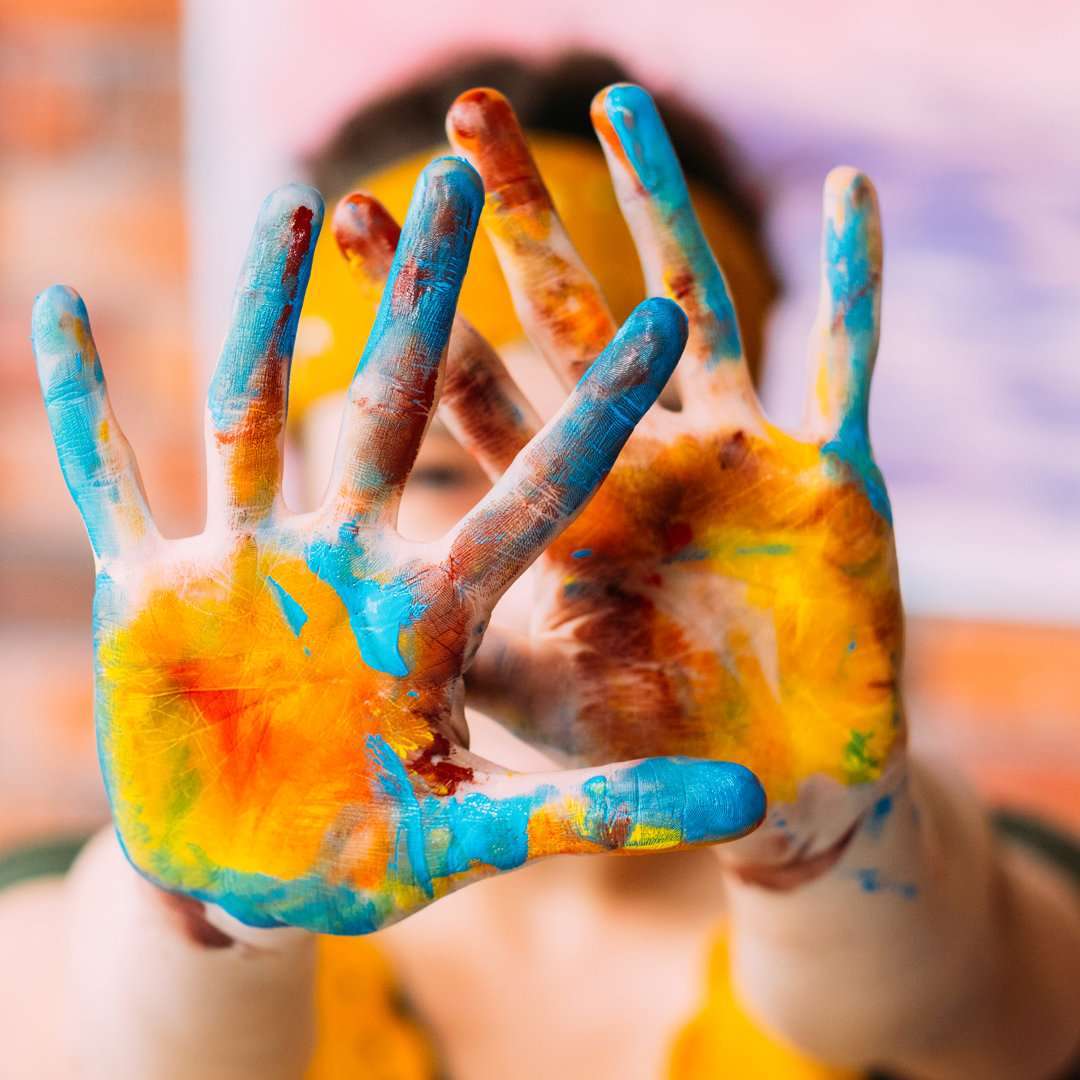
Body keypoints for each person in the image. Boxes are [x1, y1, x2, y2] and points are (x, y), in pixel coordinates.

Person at [4, 74, 1080, 1080]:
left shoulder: (962, 890)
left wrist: (836, 833)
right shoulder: (62, 923)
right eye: (433, 473)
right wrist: (213, 917)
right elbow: (127, 1044)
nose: (543, 562)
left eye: (625, 474)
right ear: (290, 488)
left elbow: (923, 996)